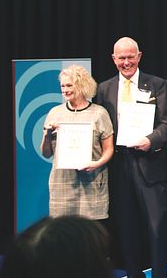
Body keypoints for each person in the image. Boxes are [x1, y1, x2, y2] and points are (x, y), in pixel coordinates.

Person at [93, 37, 167, 278]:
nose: (126, 62)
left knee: (157, 230)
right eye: (121, 58)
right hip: (119, 166)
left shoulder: (157, 84)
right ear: (113, 59)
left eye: (130, 57)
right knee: (127, 231)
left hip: (150, 165)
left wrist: (150, 140)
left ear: (139, 56)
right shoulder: (103, 89)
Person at [40, 65, 114, 220]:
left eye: (69, 85)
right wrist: (47, 135)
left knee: (90, 236)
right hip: (63, 183)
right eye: (62, 86)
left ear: (81, 86)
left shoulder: (99, 113)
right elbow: (46, 153)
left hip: (91, 183)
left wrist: (97, 163)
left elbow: (108, 149)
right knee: (63, 233)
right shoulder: (55, 113)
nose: (65, 90)